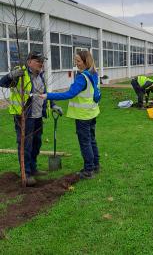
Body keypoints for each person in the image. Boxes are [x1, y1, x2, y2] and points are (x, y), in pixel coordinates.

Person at [0, 51, 63, 186]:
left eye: (42, 61)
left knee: (36, 143)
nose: (41, 63)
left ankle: (33, 168)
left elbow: (43, 94)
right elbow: (3, 83)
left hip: (37, 116)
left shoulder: (40, 76)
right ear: (29, 62)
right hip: (24, 117)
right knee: (25, 145)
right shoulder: (20, 73)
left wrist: (53, 105)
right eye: (38, 61)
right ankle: (26, 173)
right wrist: (11, 75)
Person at [40, 51, 101, 179]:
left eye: (78, 61)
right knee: (92, 140)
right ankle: (95, 165)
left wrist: (48, 96)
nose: (76, 63)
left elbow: (69, 94)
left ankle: (88, 170)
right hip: (92, 113)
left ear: (86, 62)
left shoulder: (82, 78)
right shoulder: (94, 74)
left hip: (83, 116)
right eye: (75, 60)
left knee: (85, 142)